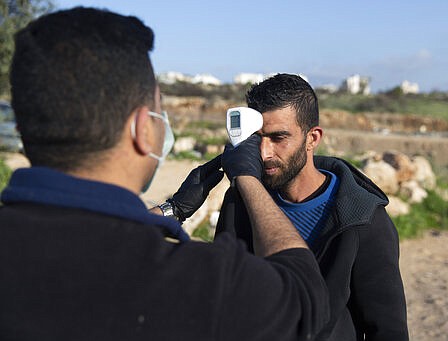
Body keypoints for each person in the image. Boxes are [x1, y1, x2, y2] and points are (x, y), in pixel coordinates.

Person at [0, 8, 330, 340]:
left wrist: (173, 209)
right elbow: (303, 298)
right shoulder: (196, 283)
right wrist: (248, 178)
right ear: (142, 129)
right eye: (160, 112)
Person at [215, 73, 409, 340]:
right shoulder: (240, 202)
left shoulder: (363, 219)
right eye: (256, 138)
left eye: (278, 137)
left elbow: (388, 330)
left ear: (312, 138)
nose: (264, 152)